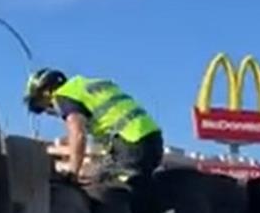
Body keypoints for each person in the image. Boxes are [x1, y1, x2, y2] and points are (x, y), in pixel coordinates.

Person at [24, 68, 164, 186]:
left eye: (43, 106)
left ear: (46, 92)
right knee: (137, 190)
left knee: (104, 190)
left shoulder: (63, 95)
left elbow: (78, 135)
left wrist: (72, 173)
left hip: (130, 143)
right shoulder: (87, 86)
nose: (48, 112)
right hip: (152, 139)